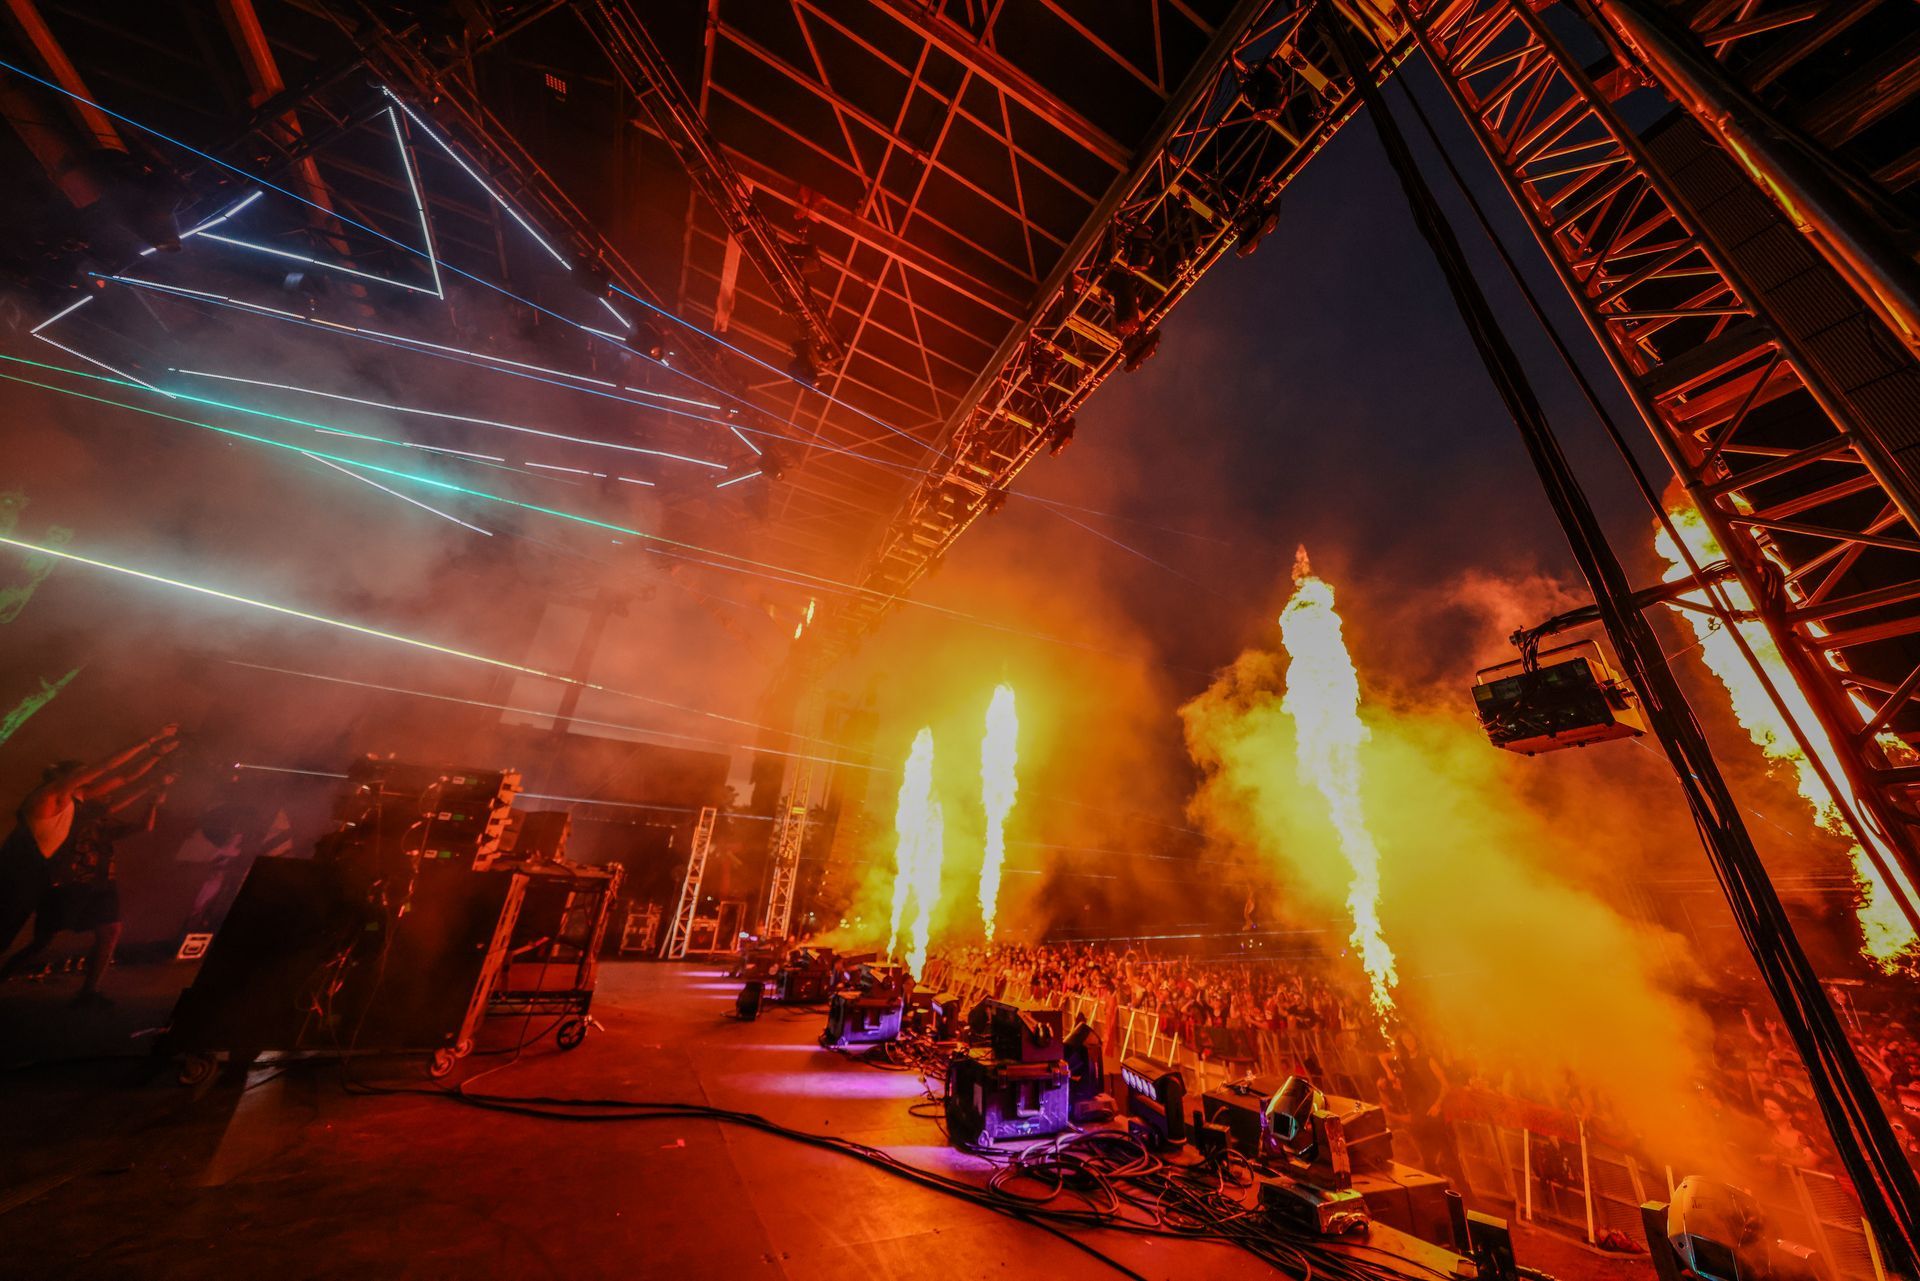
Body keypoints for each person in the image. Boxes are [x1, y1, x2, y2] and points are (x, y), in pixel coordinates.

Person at [0, 725, 179, 1005]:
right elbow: (108, 766)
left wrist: (156, 756)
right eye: (80, 774)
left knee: (7, 935)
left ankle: (87, 992)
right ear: (63, 777)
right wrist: (151, 739)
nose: (88, 779)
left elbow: (123, 776)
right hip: (13, 877)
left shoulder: (74, 801)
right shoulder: (48, 797)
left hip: (34, 879)